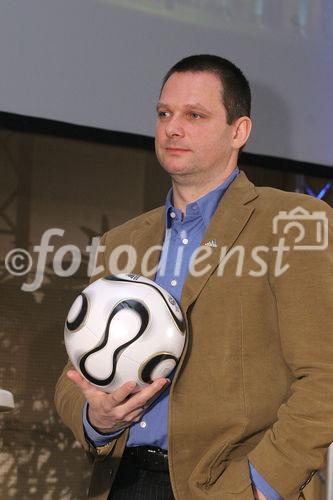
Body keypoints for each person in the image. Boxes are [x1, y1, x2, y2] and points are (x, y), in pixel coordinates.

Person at [55, 55, 333, 500]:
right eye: (164, 113)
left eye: (195, 115)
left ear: (239, 131)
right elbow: (76, 374)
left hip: (231, 486)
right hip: (123, 482)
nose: (172, 128)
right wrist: (96, 419)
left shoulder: (293, 222)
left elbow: (325, 375)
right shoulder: (119, 242)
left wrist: (263, 486)